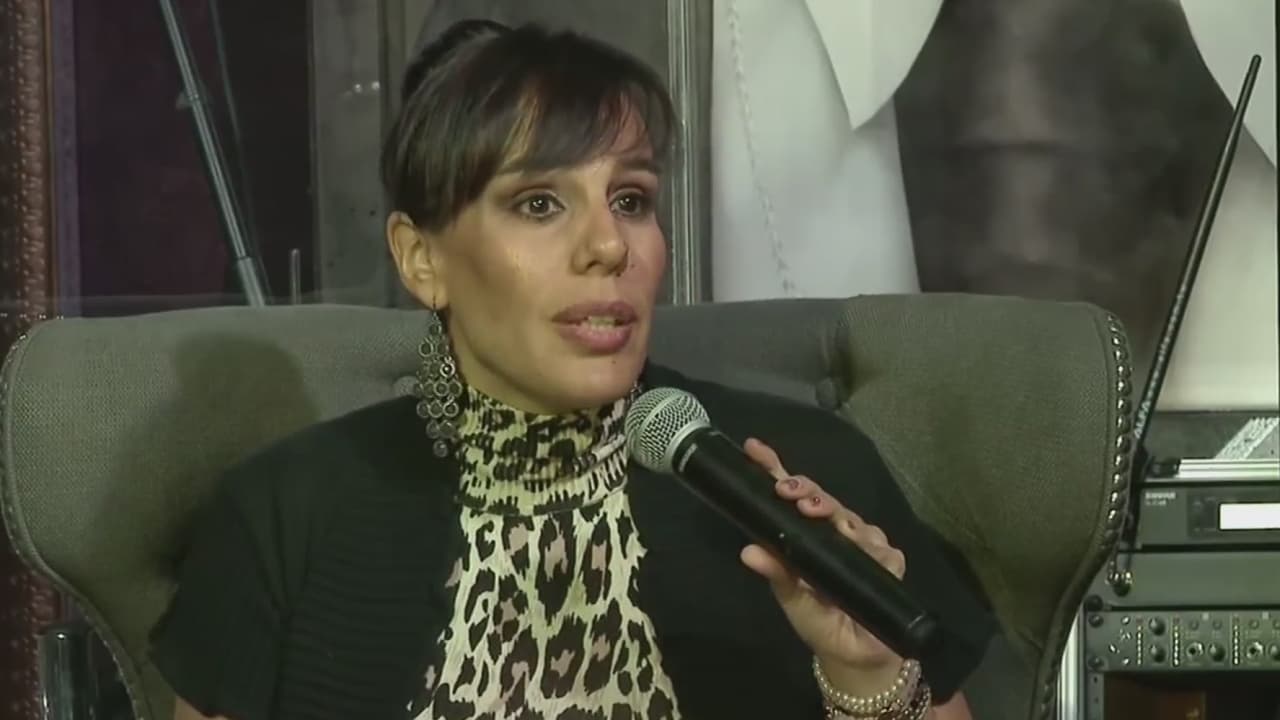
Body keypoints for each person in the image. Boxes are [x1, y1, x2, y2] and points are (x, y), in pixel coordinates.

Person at [151, 20, 995, 720]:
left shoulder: (804, 484)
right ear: (420, 259)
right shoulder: (284, 515)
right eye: (539, 203)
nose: (608, 245)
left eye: (631, 199)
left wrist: (866, 675)